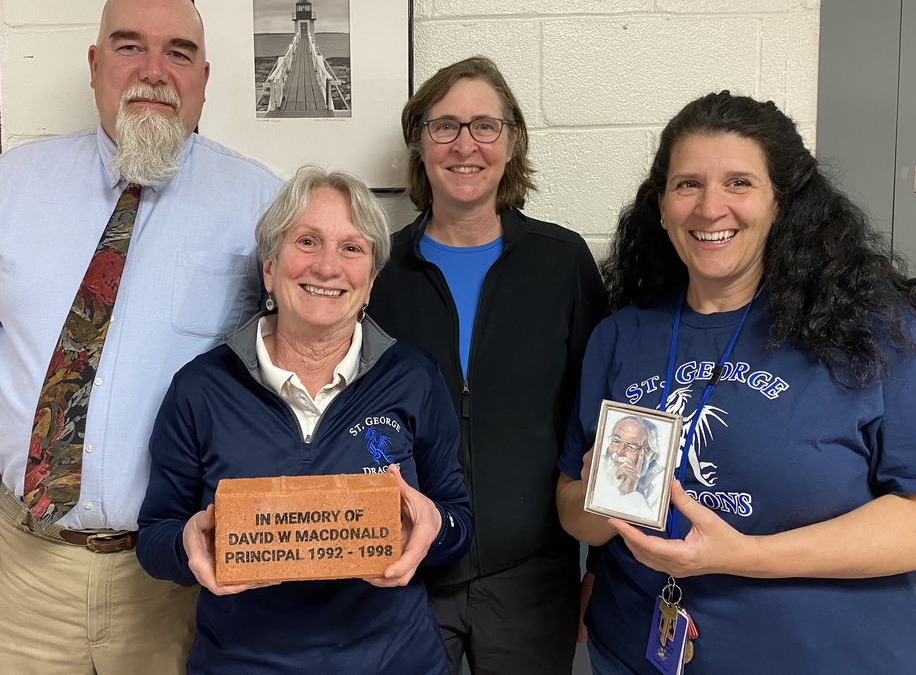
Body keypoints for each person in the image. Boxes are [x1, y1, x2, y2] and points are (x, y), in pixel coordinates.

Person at [0, 0, 282, 674]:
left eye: (179, 53)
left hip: (175, 578)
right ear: (94, 64)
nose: (154, 70)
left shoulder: (259, 203)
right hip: (25, 571)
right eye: (129, 46)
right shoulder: (12, 183)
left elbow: (289, 371)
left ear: (204, 79)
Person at [557, 91, 916, 674]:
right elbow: (572, 509)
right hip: (636, 652)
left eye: (739, 183)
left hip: (828, 659)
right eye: (687, 185)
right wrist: (599, 495)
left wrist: (747, 555)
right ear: (661, 206)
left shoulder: (874, 332)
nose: (711, 208)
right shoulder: (621, 335)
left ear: (781, 203)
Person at [136, 166, 472, 674]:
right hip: (241, 664)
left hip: (394, 662)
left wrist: (434, 526)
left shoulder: (414, 377)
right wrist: (188, 545)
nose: (327, 266)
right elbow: (155, 536)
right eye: (307, 241)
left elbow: (458, 521)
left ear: (370, 282)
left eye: (351, 248)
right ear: (270, 268)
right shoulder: (200, 388)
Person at [369, 56, 608, 674]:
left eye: (484, 126)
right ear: (419, 142)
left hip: (534, 579)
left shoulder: (562, 263)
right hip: (405, 573)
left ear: (513, 140)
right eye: (444, 126)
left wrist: (604, 568)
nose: (464, 145)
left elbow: (601, 427)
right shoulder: (377, 274)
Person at [590, 415, 663, 522]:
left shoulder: (658, 488)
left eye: (632, 446)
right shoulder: (596, 469)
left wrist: (629, 493)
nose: (620, 451)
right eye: (616, 441)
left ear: (650, 456)